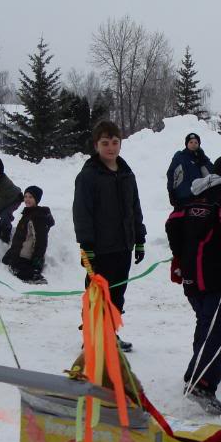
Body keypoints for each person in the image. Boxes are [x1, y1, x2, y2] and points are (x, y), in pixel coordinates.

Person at [165, 154, 221, 415]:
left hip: (192, 275)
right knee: (219, 326)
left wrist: (179, 256)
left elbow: (173, 222)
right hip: (219, 276)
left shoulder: (197, 193)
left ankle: (205, 369)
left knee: (206, 323)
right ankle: (201, 380)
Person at [73, 120, 146, 352]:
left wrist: (140, 239)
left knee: (117, 294)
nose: (111, 148)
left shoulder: (126, 173)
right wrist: (87, 246)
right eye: (105, 143)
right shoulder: (88, 176)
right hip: (99, 248)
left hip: (123, 246)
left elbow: (134, 207)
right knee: (97, 294)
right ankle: (92, 337)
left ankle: (110, 333)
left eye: (115, 142)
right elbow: (82, 212)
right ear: (96, 145)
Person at [2, 186, 54, 284]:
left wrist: (37, 258)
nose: (27, 199)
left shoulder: (38, 217)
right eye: (25, 197)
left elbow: (41, 240)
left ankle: (35, 276)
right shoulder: (27, 214)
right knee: (6, 261)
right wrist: (12, 251)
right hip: (20, 252)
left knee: (17, 269)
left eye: (30, 197)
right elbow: (21, 237)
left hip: (27, 256)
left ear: (36, 199)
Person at [166, 132, 214, 207]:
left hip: (200, 197)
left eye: (196, 142)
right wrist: (171, 191)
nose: (193, 144)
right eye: (191, 142)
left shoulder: (203, 158)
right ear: (186, 144)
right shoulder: (179, 157)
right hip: (182, 196)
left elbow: (212, 174)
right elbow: (171, 174)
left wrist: (203, 161)